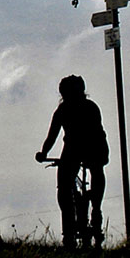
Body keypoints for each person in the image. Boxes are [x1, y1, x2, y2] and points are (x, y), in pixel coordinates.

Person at [34, 75, 109, 248]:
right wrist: (44, 151)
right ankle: (89, 214)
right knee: (81, 178)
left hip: (86, 147)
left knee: (69, 185)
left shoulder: (73, 109)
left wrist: (43, 153)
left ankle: (88, 214)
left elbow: (53, 136)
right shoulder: (81, 107)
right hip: (84, 148)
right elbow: (52, 135)